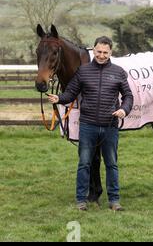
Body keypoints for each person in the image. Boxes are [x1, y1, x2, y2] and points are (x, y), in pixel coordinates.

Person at [48, 36, 133, 211]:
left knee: (112, 164)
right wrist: (59, 98)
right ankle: (81, 200)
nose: (101, 55)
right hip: (87, 126)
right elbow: (70, 93)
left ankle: (114, 200)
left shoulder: (118, 72)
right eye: (98, 51)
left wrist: (124, 109)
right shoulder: (83, 71)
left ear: (110, 53)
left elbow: (128, 96)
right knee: (84, 163)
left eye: (105, 52)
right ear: (93, 50)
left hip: (110, 126)